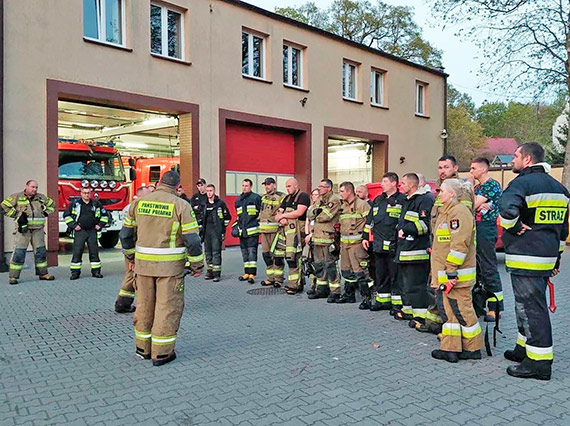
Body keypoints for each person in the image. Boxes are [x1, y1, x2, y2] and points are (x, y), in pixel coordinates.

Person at [499, 142, 569, 380]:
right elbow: (563, 230)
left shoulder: (521, 184)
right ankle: (524, 348)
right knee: (525, 305)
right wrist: (557, 260)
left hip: (526, 256)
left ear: (527, 159)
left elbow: (506, 212)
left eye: (516, 156)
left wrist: (516, 227)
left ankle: (539, 363)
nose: (513, 160)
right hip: (546, 257)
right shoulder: (560, 189)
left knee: (532, 309)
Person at [119, 171, 203, 367]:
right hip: (170, 269)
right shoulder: (181, 205)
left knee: (144, 306)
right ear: (177, 186)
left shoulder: (139, 203)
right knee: (167, 308)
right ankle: (162, 353)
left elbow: (125, 234)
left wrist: (131, 255)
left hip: (143, 267)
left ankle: (143, 348)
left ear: (158, 183)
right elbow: (192, 240)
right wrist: (197, 264)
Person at [431, 179, 483, 363]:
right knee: (452, 312)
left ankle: (473, 347)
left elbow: (459, 245)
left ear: (452, 193)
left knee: (463, 311)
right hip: (448, 273)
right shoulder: (448, 212)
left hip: (456, 275)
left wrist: (451, 272)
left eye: (442, 191)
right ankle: (451, 348)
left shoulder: (459, 212)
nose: (439, 194)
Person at [423, 155, 475, 334]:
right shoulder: (442, 190)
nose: (442, 171)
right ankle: (439, 326)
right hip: (440, 249)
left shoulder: (460, 189)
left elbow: (461, 225)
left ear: (455, 168)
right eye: (439, 167)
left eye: (446, 167)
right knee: (436, 288)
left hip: (452, 252)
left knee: (452, 298)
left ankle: (452, 335)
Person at [363, 172, 406, 312]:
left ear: (394, 183)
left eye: (385, 181)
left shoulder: (402, 200)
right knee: (380, 273)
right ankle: (382, 301)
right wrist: (365, 236)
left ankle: (397, 303)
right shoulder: (378, 200)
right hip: (378, 243)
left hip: (394, 243)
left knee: (395, 274)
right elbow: (370, 220)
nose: (382, 184)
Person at [395, 173, 433, 326]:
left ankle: (420, 316)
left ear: (411, 185)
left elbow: (425, 225)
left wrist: (406, 229)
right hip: (405, 250)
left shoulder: (423, 200)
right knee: (406, 284)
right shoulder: (408, 200)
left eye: (403, 183)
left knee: (417, 285)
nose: (400, 186)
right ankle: (408, 311)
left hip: (417, 252)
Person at [1, 180, 56, 285]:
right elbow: (4, 206)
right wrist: (16, 215)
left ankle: (43, 274)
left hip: (38, 230)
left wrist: (45, 212)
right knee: (19, 253)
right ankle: (13, 277)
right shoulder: (17, 196)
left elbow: (53, 205)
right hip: (23, 231)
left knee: (41, 252)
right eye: (32, 187)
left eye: (36, 187)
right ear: (26, 186)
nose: (34, 189)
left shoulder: (41, 197)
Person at [470, 157, 504, 320]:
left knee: (488, 266)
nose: (471, 171)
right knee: (477, 267)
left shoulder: (491, 185)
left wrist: (476, 203)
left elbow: (472, 204)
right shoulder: (477, 187)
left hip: (486, 227)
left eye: (473, 168)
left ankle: (496, 307)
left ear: (483, 169)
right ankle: (479, 303)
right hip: (476, 227)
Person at [115, 186, 150, 313]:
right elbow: (126, 234)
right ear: (139, 196)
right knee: (132, 276)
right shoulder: (134, 209)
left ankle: (124, 303)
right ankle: (122, 304)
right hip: (132, 250)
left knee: (132, 276)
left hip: (133, 249)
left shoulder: (136, 208)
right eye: (148, 195)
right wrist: (131, 257)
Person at [306, 179, 342, 302]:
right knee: (319, 265)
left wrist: (317, 213)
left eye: (322, 186)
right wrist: (316, 212)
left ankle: (335, 291)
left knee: (330, 265)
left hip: (328, 238)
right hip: (316, 238)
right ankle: (322, 289)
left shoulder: (334, 200)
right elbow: (310, 213)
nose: (319, 188)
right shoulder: (320, 200)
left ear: (329, 188)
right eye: (319, 186)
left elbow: (325, 216)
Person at [274, 178, 311, 294]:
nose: (287, 188)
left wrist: (284, 216)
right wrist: (281, 218)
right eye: (286, 186)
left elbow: (299, 212)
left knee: (295, 258)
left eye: (289, 186)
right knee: (288, 257)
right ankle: (294, 283)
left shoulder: (303, 196)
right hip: (286, 233)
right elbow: (278, 213)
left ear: (296, 185)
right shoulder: (286, 198)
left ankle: (295, 285)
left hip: (298, 233)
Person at [63, 187, 109, 280]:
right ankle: (75, 273)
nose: (86, 195)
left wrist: (100, 225)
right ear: (81, 193)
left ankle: (96, 271)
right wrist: (74, 225)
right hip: (80, 231)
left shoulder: (96, 204)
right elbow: (66, 215)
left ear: (90, 193)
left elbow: (105, 215)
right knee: (77, 251)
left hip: (92, 231)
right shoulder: (75, 204)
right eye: (84, 193)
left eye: (88, 193)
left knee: (94, 251)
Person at [336, 181, 371, 304]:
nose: (340, 194)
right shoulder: (343, 206)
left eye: (342, 191)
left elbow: (370, 222)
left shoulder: (362, 205)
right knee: (346, 270)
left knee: (360, 271)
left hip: (357, 244)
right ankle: (349, 295)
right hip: (344, 244)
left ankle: (366, 298)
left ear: (349, 191)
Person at [233, 179, 262, 284]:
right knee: (244, 252)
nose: (244, 187)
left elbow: (261, 213)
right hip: (242, 232)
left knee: (252, 252)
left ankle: (252, 274)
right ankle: (246, 273)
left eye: (246, 186)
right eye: (243, 185)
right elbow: (238, 216)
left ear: (251, 187)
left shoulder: (256, 198)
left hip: (252, 231)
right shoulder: (238, 200)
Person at [201, 184, 231, 282]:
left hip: (216, 232)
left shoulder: (220, 204)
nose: (209, 193)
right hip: (206, 232)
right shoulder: (204, 204)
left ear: (214, 191)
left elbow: (227, 217)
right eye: (207, 191)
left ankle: (217, 274)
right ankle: (209, 272)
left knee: (216, 252)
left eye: (211, 191)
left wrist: (222, 228)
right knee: (208, 252)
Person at [259, 178, 286, 287]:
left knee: (277, 256)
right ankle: (270, 278)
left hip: (276, 231)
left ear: (274, 185)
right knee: (266, 255)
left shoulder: (281, 196)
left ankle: (279, 280)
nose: (267, 186)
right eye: (265, 184)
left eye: (269, 184)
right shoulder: (264, 198)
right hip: (264, 231)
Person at [304, 189, 321, 294]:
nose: (315, 197)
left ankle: (320, 285)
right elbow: (307, 222)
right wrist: (307, 234)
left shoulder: (320, 208)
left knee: (319, 263)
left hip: (317, 236)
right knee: (310, 262)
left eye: (317, 195)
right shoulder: (310, 208)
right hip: (309, 238)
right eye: (313, 195)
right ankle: (313, 284)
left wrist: (311, 235)